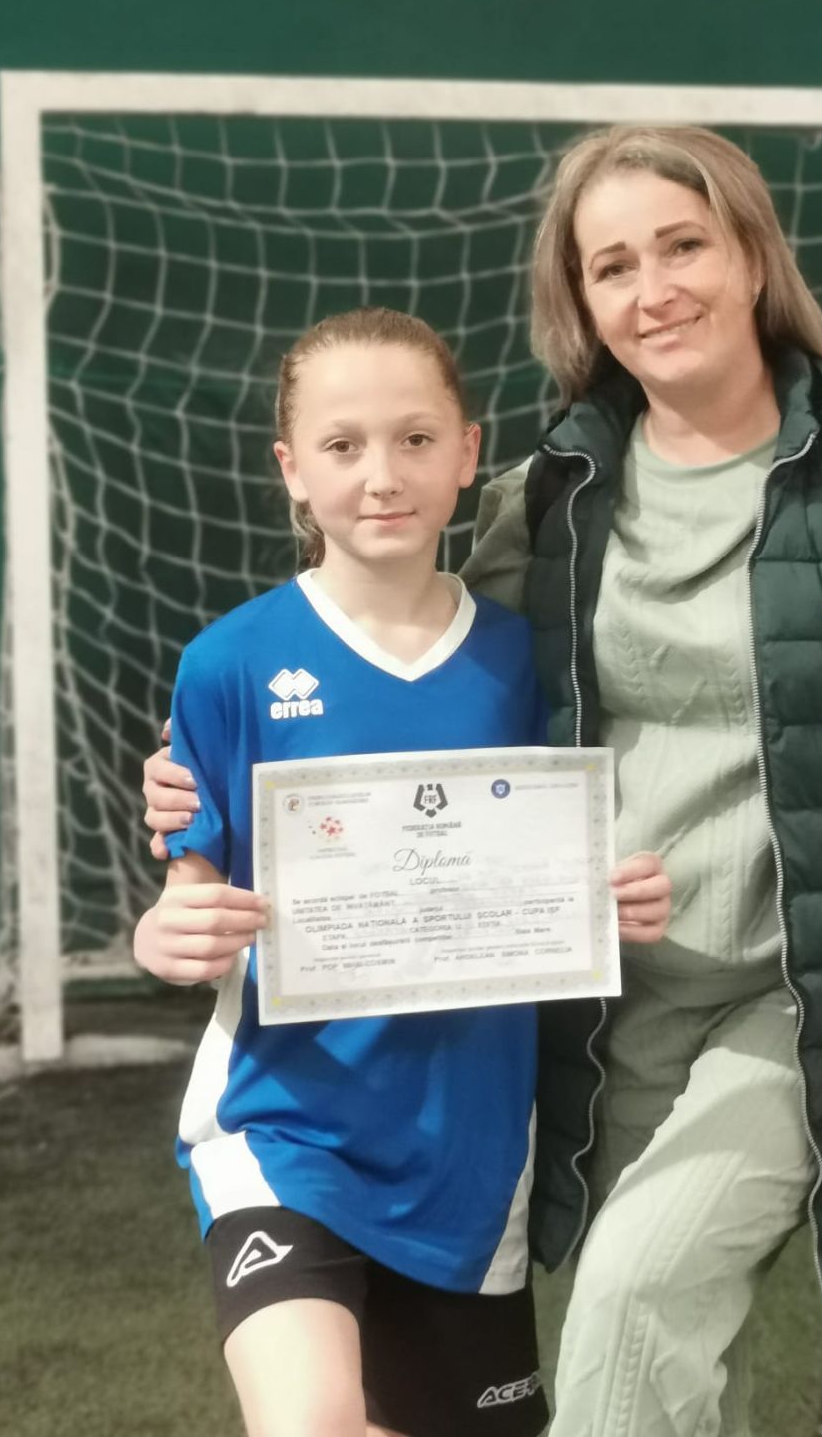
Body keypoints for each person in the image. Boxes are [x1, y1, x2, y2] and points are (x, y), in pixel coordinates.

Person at [145, 130, 822, 1437]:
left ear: (752, 258)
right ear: (581, 300)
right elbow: (407, 688)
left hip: (797, 1008)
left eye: (683, 246)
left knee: (628, 1314)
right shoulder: (552, 498)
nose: (652, 289)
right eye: (612, 264)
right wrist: (199, 777)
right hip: (606, 1013)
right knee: (686, 1366)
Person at [133, 305, 670, 1437]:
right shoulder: (230, 664)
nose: (381, 475)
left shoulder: (528, 660)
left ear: (468, 452)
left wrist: (612, 898)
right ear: (292, 470)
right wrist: (166, 933)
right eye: (342, 445)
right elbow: (191, 888)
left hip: (472, 1160)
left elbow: (560, 866)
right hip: (286, 1129)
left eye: (415, 439)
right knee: (312, 1421)